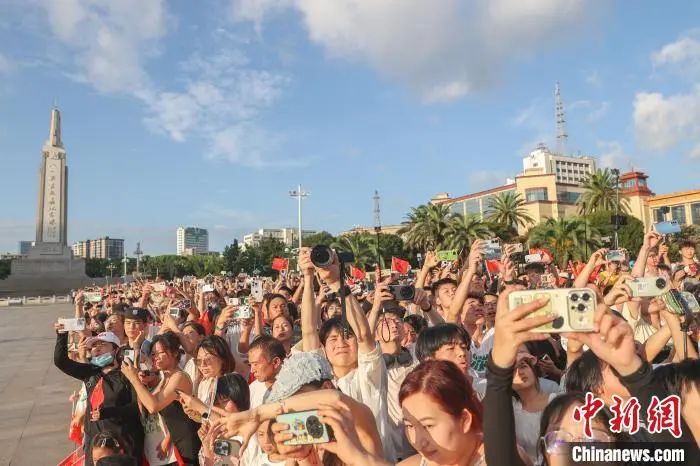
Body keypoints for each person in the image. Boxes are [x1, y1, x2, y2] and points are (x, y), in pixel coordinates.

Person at [54, 328, 143, 466]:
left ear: (116, 350)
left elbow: (137, 408)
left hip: (123, 444)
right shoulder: (90, 372)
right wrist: (61, 334)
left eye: (103, 344)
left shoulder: (127, 374)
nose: (97, 348)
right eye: (94, 346)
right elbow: (61, 361)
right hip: (95, 443)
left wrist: (108, 412)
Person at [121, 332, 200, 465]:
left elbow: (154, 406)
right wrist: (139, 379)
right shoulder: (164, 379)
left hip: (185, 446)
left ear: (175, 352)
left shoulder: (179, 377)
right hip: (173, 446)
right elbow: (144, 406)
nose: (155, 357)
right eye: (153, 354)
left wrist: (134, 379)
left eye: (160, 353)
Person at [398, 359, 487, 466]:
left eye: (428, 426)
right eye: (409, 426)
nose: (418, 441)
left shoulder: (499, 459)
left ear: (464, 420)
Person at [192, 336, 237, 409]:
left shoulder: (232, 383)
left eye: (208, 359)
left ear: (222, 359)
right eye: (199, 360)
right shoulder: (204, 383)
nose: (202, 365)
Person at [247, 335, 286, 409]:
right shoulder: (252, 389)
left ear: (276, 362)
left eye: (256, 364)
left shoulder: (295, 387)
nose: (252, 371)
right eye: (250, 364)